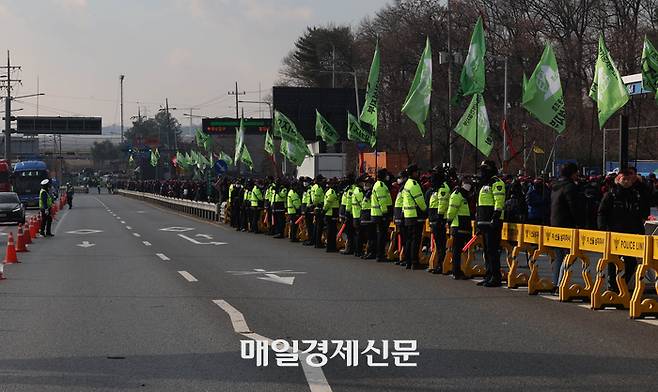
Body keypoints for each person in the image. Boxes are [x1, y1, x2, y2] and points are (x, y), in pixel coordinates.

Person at [597, 169, 649, 292]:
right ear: (618, 180)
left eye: (629, 179)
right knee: (613, 261)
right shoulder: (611, 194)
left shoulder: (635, 194)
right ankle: (612, 286)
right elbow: (602, 212)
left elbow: (645, 205)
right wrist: (603, 229)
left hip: (631, 234)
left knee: (632, 263)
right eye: (624, 179)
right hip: (615, 233)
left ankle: (621, 285)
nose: (626, 181)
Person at [550, 162, 582, 288]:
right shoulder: (570, 187)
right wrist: (579, 223)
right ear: (573, 173)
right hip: (567, 224)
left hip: (555, 223)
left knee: (559, 256)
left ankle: (556, 281)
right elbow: (574, 207)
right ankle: (561, 283)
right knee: (570, 255)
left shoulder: (555, 186)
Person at [476, 160, 506, 287]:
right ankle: (488, 275)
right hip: (484, 222)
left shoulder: (497, 183)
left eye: (485, 168)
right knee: (487, 251)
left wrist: (495, 217)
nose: (482, 171)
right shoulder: (484, 184)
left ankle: (495, 277)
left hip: (493, 222)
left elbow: (499, 202)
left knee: (493, 251)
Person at [446, 178, 473, 279]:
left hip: (463, 226)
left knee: (460, 250)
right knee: (456, 250)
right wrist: (449, 221)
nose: (468, 185)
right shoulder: (457, 195)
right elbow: (451, 211)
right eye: (466, 183)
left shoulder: (464, 195)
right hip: (457, 225)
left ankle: (459, 270)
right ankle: (456, 271)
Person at [402, 164, 427, 270]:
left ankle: (408, 261)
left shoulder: (407, 183)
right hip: (415, 215)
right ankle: (414, 262)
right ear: (413, 173)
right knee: (415, 240)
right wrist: (426, 209)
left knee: (408, 239)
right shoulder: (414, 184)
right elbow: (420, 201)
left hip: (408, 215)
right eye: (417, 172)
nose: (418, 173)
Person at [427, 167, 451, 273]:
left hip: (440, 220)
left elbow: (442, 204)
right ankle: (439, 264)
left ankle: (442, 265)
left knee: (441, 244)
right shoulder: (435, 188)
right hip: (434, 219)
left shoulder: (443, 187)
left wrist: (439, 217)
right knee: (438, 244)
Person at [371, 169, 393, 262]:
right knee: (381, 235)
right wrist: (385, 213)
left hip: (378, 214)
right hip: (380, 214)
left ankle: (380, 254)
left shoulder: (380, 184)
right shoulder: (380, 185)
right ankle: (380, 255)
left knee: (381, 234)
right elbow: (382, 200)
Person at [323, 180, 340, 252]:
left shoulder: (331, 191)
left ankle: (331, 246)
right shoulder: (332, 192)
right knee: (331, 231)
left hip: (331, 213)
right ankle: (330, 247)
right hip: (331, 213)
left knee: (332, 231)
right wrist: (324, 210)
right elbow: (328, 203)